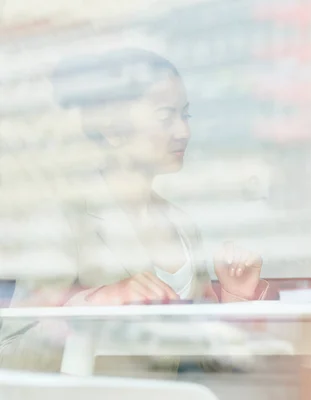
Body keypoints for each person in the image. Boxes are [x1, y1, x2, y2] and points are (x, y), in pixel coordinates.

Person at [0, 48, 269, 375]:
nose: (183, 132)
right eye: (164, 116)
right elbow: (11, 351)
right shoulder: (67, 219)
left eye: (185, 115)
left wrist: (235, 298)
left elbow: (205, 359)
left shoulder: (182, 226)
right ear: (112, 129)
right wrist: (91, 305)